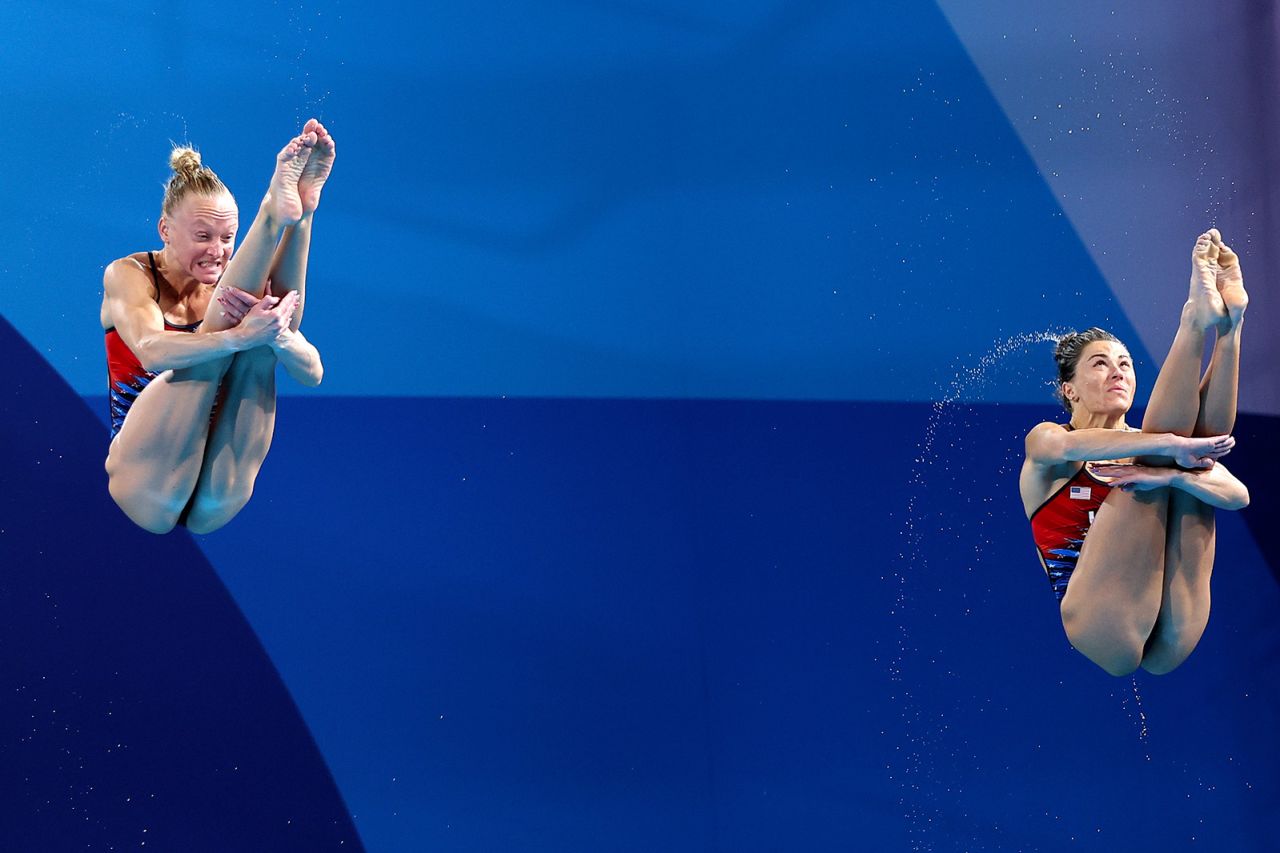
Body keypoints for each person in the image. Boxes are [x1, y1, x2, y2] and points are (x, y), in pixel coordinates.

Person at [1020, 229, 1250, 676]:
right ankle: (1195, 322)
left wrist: (1175, 475)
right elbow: (1068, 445)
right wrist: (1170, 450)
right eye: (1100, 363)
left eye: (1125, 363)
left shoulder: (1163, 444)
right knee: (1161, 455)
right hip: (1099, 625)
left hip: (1174, 630)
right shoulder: (1048, 438)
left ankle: (1229, 327)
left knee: (1175, 465)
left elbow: (1238, 495)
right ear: (1069, 390)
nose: (1117, 372)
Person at [102, 119, 335, 534]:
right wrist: (239, 336)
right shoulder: (132, 274)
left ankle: (300, 216)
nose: (218, 251)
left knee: (263, 345)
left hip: (218, 487)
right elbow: (152, 351)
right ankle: (270, 214)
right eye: (203, 236)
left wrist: (276, 334)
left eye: (228, 237)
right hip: (147, 481)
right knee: (216, 348)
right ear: (165, 230)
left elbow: (313, 373)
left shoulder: (231, 287)